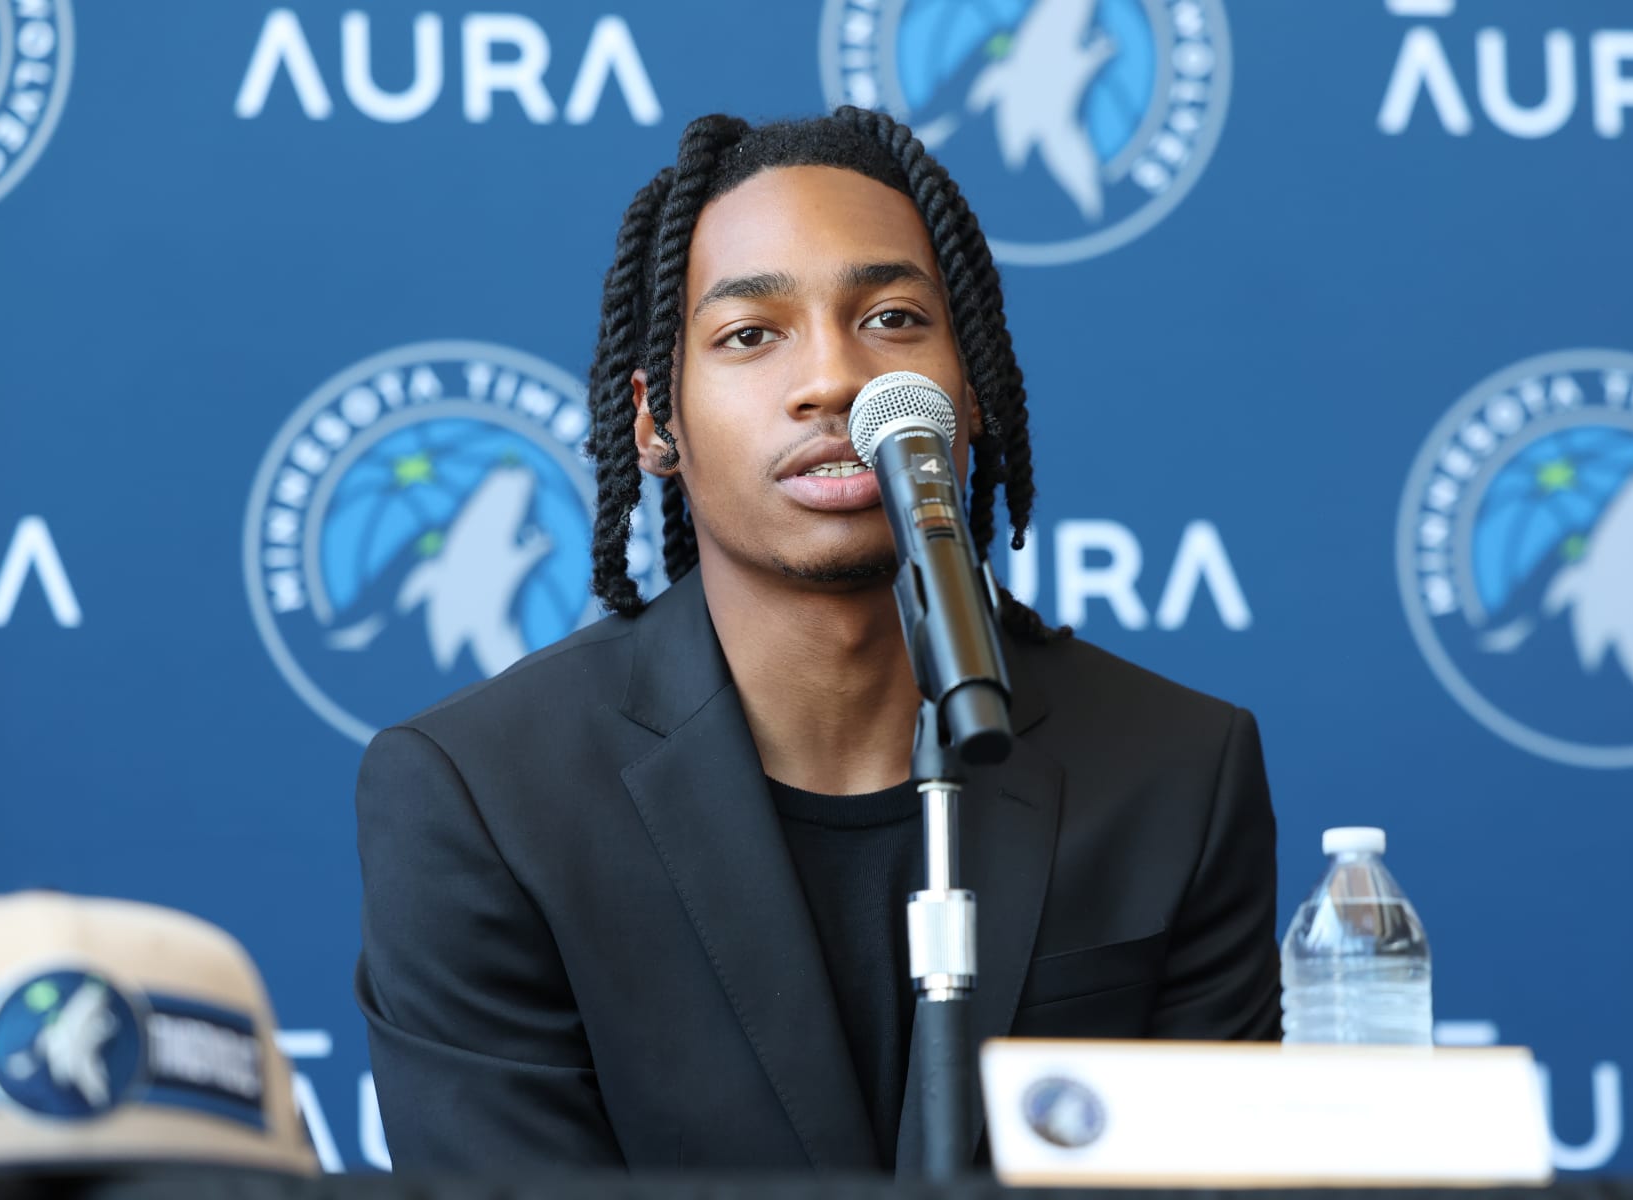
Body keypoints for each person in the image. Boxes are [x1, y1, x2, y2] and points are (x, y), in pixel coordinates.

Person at [354, 108, 1281, 1175]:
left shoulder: (1177, 768)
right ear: (656, 424)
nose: (836, 380)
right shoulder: (483, 797)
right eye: (751, 335)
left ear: (969, 387)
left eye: (890, 319)